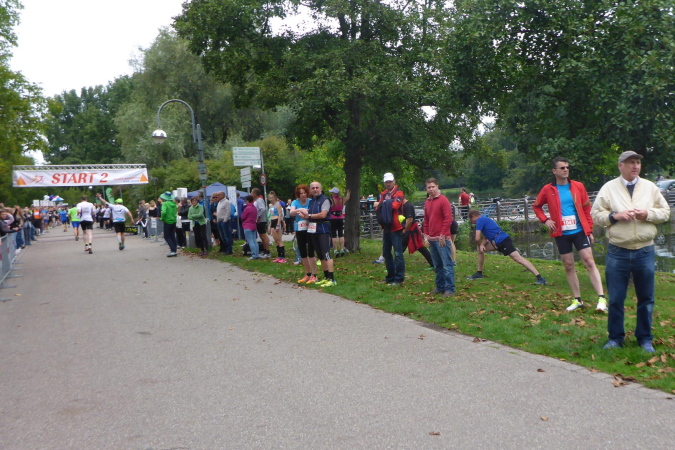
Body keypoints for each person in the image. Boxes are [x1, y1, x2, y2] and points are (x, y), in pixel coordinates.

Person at [591, 151, 670, 353]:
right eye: (630, 163)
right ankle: (615, 338)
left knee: (646, 298)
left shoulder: (650, 187)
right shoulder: (609, 188)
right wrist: (614, 216)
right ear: (620, 166)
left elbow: (665, 212)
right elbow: (596, 215)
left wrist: (647, 214)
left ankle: (644, 339)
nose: (635, 166)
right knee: (616, 299)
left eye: (637, 163)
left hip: (645, 250)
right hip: (618, 251)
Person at [533, 157, 607, 312]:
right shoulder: (548, 189)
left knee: (589, 261)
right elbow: (537, 206)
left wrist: (589, 230)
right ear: (554, 171)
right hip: (561, 233)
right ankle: (577, 300)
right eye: (562, 168)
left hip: (579, 230)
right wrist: (545, 220)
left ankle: (601, 298)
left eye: (567, 167)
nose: (566, 170)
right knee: (568, 265)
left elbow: (587, 209)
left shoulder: (578, 186)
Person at [467, 210, 547, 285]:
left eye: (471, 220)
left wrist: (480, 245)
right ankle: (479, 273)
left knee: (518, 259)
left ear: (473, 216)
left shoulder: (480, 220)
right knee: (480, 250)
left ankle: (540, 278)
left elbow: (477, 238)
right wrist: (481, 245)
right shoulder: (485, 219)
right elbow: (485, 238)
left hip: (502, 241)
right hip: (497, 242)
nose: (472, 222)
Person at [297, 181, 336, 286]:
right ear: (310, 190)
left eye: (317, 187)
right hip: (313, 230)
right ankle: (326, 277)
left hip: (323, 230)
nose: (315, 189)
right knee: (320, 255)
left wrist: (309, 216)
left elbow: (323, 214)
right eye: (313, 188)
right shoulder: (312, 201)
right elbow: (309, 215)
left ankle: (332, 279)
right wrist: (304, 216)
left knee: (326, 254)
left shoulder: (325, 200)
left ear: (320, 188)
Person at [422, 179, 456, 297]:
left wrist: (443, 234)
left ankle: (449, 289)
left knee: (447, 265)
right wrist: (426, 235)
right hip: (431, 239)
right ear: (426, 189)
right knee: (437, 266)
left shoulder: (443, 200)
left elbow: (448, 218)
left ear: (437, 186)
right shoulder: (427, 202)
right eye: (429, 187)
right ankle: (440, 287)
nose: (431, 189)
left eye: (433, 187)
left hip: (442, 239)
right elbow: (426, 220)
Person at [375, 172, 405, 286]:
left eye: (390, 181)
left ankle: (399, 278)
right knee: (386, 253)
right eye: (386, 182)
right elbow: (378, 207)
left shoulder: (399, 193)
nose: (388, 184)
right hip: (386, 226)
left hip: (396, 227)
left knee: (398, 253)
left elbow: (395, 206)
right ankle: (390, 276)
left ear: (394, 181)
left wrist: (382, 203)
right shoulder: (383, 194)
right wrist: (385, 203)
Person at [290, 184, 318, 284]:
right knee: (302, 251)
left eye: (304, 193)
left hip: (310, 227)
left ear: (307, 193)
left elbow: (314, 212)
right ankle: (307, 273)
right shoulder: (295, 202)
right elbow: (291, 212)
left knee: (311, 251)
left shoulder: (311, 201)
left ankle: (314, 275)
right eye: (301, 193)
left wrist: (306, 213)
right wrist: (300, 210)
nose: (303, 195)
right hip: (300, 228)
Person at [400, 195, 434, 269]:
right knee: (420, 248)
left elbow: (410, 220)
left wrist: (405, 230)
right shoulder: (402, 206)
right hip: (408, 229)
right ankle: (433, 263)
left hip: (411, 230)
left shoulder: (408, 206)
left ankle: (395, 267)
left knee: (400, 248)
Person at [327, 187, 351, 258]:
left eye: (332, 192)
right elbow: (348, 197)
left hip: (333, 218)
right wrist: (348, 193)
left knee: (333, 234)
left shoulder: (331, 201)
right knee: (341, 234)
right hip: (340, 217)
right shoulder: (342, 200)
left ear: (334, 193)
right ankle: (342, 249)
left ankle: (335, 250)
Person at [251, 188, 270, 258]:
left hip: (261, 220)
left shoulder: (259, 200)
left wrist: (259, 217)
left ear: (255, 194)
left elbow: (263, 209)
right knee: (261, 236)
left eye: (252, 193)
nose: (251, 194)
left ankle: (267, 251)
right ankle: (264, 250)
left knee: (263, 235)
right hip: (258, 220)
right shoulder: (256, 201)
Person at [268, 191, 286, 262]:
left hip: (277, 221)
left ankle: (283, 257)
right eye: (270, 198)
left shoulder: (278, 205)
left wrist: (278, 224)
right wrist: (269, 226)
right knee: (276, 240)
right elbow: (271, 216)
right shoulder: (270, 206)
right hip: (272, 221)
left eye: (272, 198)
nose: (271, 199)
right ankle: (279, 256)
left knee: (279, 240)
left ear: (275, 198)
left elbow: (280, 215)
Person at [241, 195, 260, 260]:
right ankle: (257, 254)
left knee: (250, 241)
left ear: (247, 200)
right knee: (254, 241)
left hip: (247, 225)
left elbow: (243, 217)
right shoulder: (254, 208)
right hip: (253, 225)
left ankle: (254, 255)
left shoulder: (247, 208)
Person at [159, 191, 178, 257]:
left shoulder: (165, 204)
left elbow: (164, 212)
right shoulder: (174, 204)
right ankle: (174, 250)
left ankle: (172, 250)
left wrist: (162, 218)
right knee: (172, 236)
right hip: (173, 221)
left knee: (166, 236)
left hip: (167, 221)